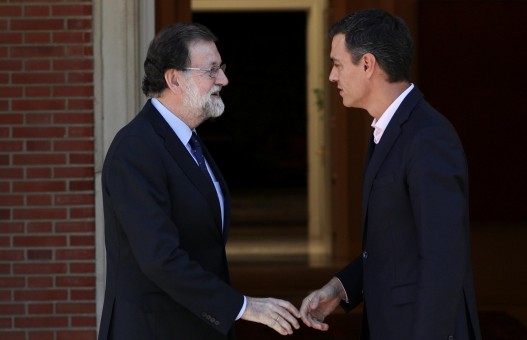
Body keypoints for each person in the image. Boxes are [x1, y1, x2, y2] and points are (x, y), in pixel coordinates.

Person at [98, 23, 301, 340]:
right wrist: (242, 307)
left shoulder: (186, 141)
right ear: (174, 79)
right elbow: (159, 257)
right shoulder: (136, 148)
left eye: (221, 68)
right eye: (212, 70)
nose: (224, 79)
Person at [300, 8, 482, 340]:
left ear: (367, 64)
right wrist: (341, 288)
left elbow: (443, 261)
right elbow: (396, 244)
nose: (332, 76)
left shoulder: (427, 138)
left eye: (338, 64)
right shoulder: (389, 130)